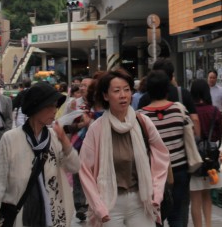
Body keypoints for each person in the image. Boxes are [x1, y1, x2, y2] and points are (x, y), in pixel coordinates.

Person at [80, 70, 170, 227]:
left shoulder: (142, 122)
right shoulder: (97, 129)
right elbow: (84, 169)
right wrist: (98, 206)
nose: (123, 95)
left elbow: (161, 156)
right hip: (110, 203)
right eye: (116, 91)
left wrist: (157, 192)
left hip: (140, 200)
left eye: (127, 89)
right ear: (106, 96)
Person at [0, 81, 81, 227]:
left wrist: (65, 142)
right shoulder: (11, 138)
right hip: (20, 211)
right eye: (50, 106)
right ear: (37, 108)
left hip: (52, 213)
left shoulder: (54, 136)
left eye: (56, 105)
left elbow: (74, 167)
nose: (55, 110)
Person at [141, 70, 194, 227]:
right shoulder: (179, 109)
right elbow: (189, 136)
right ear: (167, 89)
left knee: (155, 217)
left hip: (153, 174)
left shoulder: (140, 116)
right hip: (179, 169)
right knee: (178, 215)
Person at [189, 79, 222, 227]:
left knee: (195, 196)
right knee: (207, 195)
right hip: (210, 156)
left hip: (195, 157)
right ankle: (208, 224)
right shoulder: (215, 111)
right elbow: (218, 135)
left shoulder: (189, 111)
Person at [136, 59, 200, 136]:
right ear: (172, 75)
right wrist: (196, 139)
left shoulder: (145, 98)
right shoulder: (183, 93)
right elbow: (195, 119)